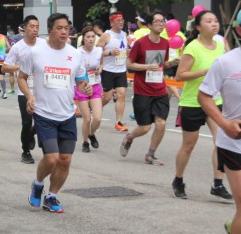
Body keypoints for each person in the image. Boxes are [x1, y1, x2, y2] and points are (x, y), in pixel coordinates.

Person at [19, 13, 92, 214]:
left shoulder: (75, 54)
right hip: (44, 113)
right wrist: (29, 96)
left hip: (67, 114)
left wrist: (85, 87)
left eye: (66, 28)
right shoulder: (35, 53)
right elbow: (22, 77)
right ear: (50, 30)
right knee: (51, 158)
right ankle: (38, 184)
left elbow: (81, 80)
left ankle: (51, 196)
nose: (63, 32)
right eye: (59, 28)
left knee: (65, 159)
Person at [197, 11, 241, 234]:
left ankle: (234, 223)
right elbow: (204, 96)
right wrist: (224, 124)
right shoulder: (225, 62)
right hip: (234, 143)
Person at [172, 10, 231, 200]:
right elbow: (180, 76)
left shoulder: (220, 45)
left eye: (215, 21)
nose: (214, 24)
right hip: (192, 101)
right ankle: (178, 180)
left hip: (215, 101)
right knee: (189, 145)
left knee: (221, 142)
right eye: (209, 21)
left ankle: (218, 184)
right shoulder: (193, 48)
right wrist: (205, 71)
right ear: (198, 27)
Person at [120, 11, 180, 165]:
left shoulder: (165, 43)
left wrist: (172, 63)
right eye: (157, 21)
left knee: (161, 123)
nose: (161, 24)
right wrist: (146, 66)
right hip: (142, 91)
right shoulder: (140, 43)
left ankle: (150, 154)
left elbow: (162, 64)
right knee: (145, 127)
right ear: (149, 25)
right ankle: (129, 137)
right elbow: (129, 64)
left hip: (159, 90)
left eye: (162, 21)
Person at [2, 15, 40, 164]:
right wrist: (21, 67)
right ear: (24, 28)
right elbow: (5, 67)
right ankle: (26, 152)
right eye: (32, 26)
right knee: (26, 122)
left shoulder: (44, 44)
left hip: (41, 90)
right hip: (24, 90)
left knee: (43, 121)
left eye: (37, 27)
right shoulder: (17, 47)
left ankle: (31, 133)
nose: (35, 29)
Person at [97, 12, 130, 131]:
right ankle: (95, 108)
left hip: (121, 70)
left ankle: (118, 122)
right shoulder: (106, 35)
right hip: (108, 70)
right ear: (112, 22)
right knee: (107, 97)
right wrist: (110, 53)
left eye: (122, 20)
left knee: (121, 94)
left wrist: (128, 52)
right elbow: (97, 52)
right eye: (118, 20)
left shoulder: (124, 35)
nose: (121, 22)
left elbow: (125, 50)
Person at [76, 26, 104, 153]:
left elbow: (101, 63)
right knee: (87, 119)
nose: (91, 39)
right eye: (88, 37)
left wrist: (100, 69)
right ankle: (85, 142)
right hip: (81, 87)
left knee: (97, 118)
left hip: (95, 85)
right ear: (83, 38)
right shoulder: (78, 52)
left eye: (93, 37)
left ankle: (91, 134)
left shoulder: (99, 51)